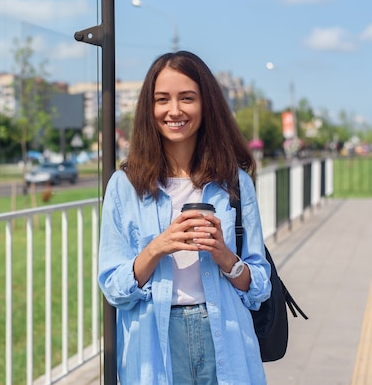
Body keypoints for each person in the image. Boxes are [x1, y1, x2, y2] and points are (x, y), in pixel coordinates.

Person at [98, 51, 271, 384]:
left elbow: (258, 285)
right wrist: (157, 247)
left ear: (206, 105)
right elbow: (113, 287)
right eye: (162, 99)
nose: (174, 110)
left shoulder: (234, 183)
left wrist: (226, 258)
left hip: (225, 332)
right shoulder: (125, 185)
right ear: (149, 109)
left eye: (187, 98)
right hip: (155, 339)